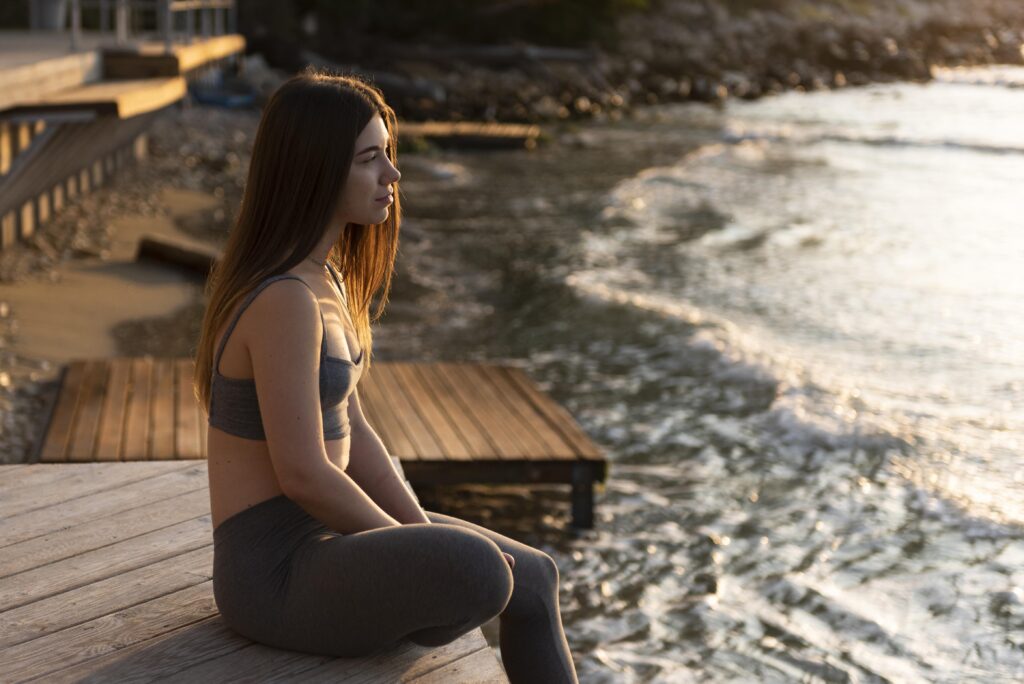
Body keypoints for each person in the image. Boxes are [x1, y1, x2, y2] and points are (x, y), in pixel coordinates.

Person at [191, 67, 579, 683]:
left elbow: (357, 430)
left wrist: (417, 534)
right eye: (370, 159)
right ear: (315, 171)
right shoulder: (283, 299)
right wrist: (418, 552)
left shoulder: (326, 278)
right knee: (481, 572)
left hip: (327, 541)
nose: (392, 175)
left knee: (534, 576)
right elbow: (304, 473)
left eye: (389, 155)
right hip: (275, 573)